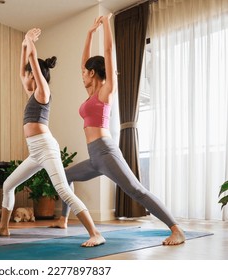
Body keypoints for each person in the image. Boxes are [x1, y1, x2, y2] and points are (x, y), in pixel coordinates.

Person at [50, 13, 186, 246]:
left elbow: (109, 53)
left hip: (105, 151)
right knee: (66, 176)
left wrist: (105, 26)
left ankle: (176, 229)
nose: (82, 74)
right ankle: (63, 219)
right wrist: (89, 33)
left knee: (137, 191)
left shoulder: (106, 91)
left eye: (85, 72)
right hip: (95, 156)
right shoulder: (90, 95)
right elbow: (83, 61)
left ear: (93, 73)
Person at [0, 28, 105, 247]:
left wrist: (30, 44)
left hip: (46, 147)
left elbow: (32, 61)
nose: (26, 77)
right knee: (8, 185)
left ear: (35, 74)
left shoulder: (43, 91)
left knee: (63, 190)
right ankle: (3, 229)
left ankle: (95, 233)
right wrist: (24, 44)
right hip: (35, 151)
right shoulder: (31, 92)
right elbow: (23, 69)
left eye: (29, 73)